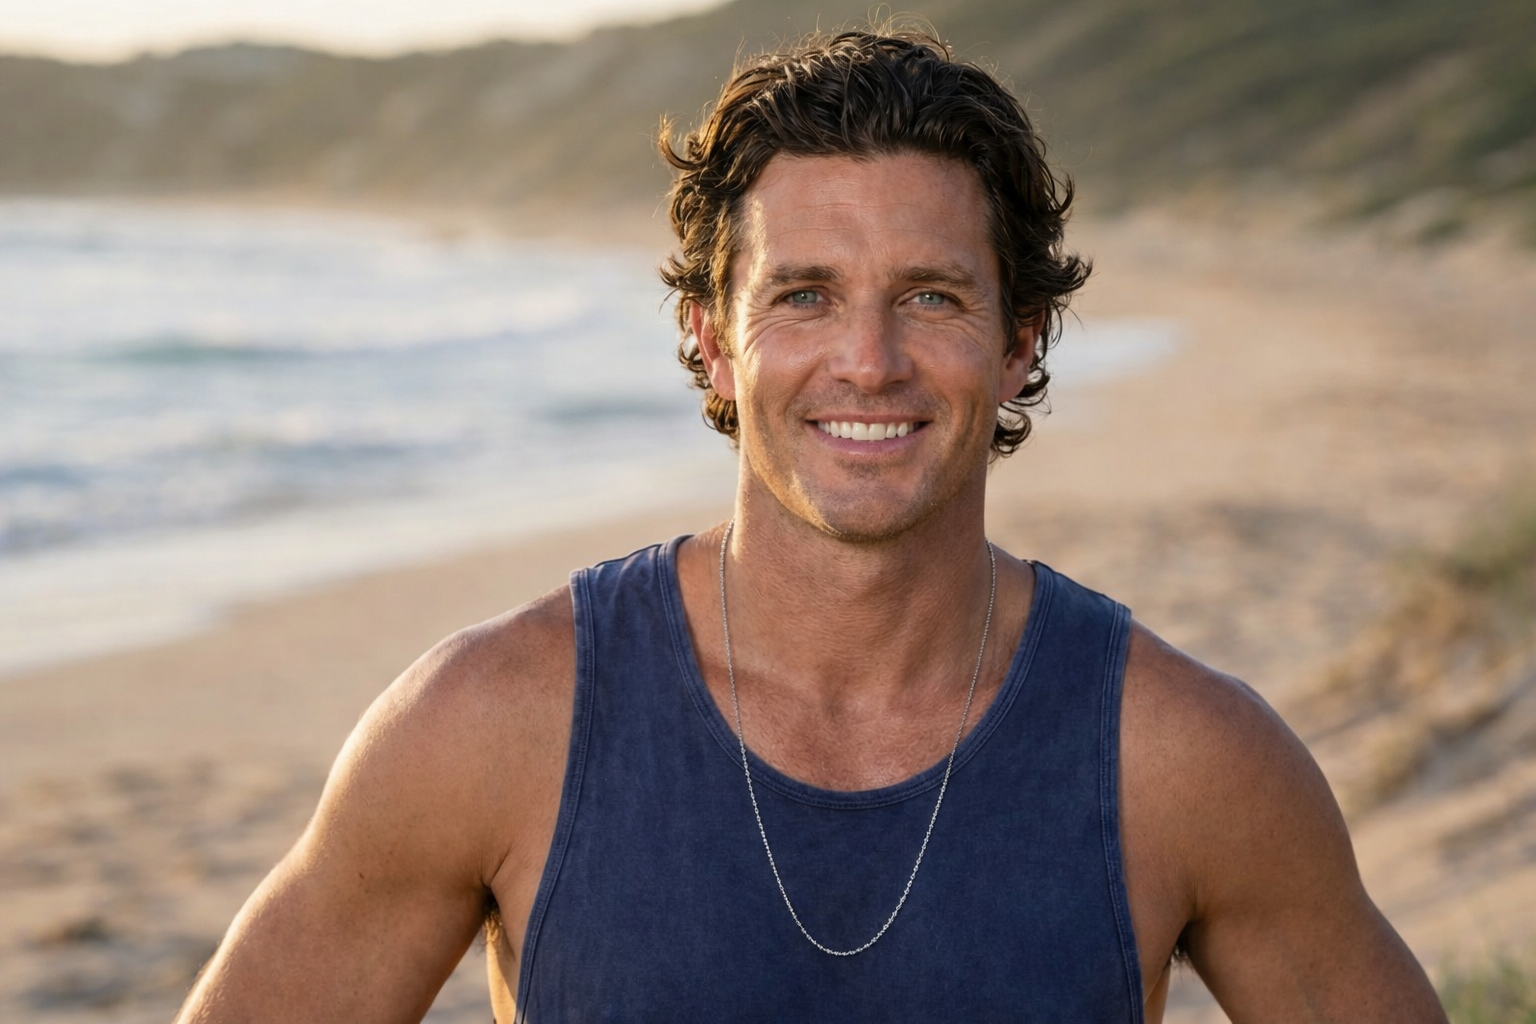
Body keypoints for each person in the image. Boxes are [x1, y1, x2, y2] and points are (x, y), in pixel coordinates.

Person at [175, 26, 1448, 1024]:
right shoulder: (494, 723)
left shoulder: (1182, 760)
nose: (869, 361)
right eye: (803, 296)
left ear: (1019, 341)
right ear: (712, 342)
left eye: (931, 296)